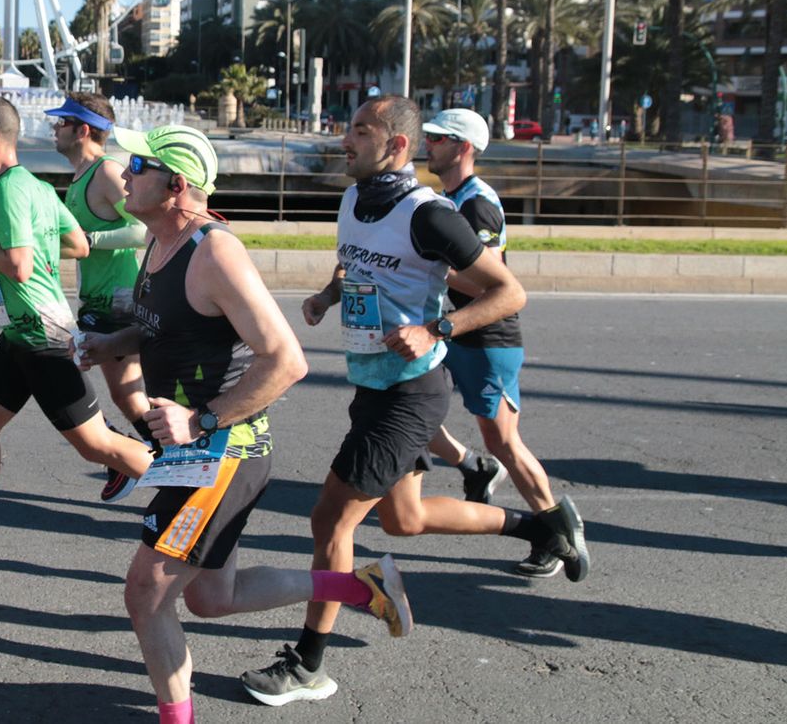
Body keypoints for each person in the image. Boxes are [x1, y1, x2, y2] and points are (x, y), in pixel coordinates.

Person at [246, 96, 589, 706]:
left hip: (411, 395)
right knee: (403, 520)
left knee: (331, 519)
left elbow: (509, 292)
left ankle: (308, 666)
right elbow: (354, 264)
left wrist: (436, 329)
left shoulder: (428, 213)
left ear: (396, 145)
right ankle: (539, 527)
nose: (344, 141)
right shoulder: (354, 199)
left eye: (359, 131)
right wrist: (327, 295)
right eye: (348, 129)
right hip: (373, 384)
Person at [77, 123, 412, 721]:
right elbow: (165, 327)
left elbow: (286, 360)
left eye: (139, 165)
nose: (124, 173)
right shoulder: (159, 241)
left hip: (222, 453)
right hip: (194, 451)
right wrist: (114, 343)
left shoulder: (214, 253)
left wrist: (200, 420)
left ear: (177, 186)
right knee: (212, 596)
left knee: (146, 593)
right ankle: (360, 587)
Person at [0, 96, 153, 570]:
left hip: (44, 336)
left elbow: (19, 268)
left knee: (96, 445)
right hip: (18, 335)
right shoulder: (39, 187)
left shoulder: (7, 192)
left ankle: (193, 498)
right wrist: (35, 247)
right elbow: (78, 244)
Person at [419, 109, 565, 576]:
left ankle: (556, 531)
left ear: (463, 147)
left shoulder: (477, 204)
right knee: (412, 411)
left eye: (438, 138)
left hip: (487, 337)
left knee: (503, 440)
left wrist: (430, 268)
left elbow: (492, 282)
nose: (428, 144)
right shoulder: (451, 198)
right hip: (454, 329)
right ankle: (473, 467)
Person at [46, 92, 153, 502]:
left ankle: (137, 459)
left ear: (83, 130)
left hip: (118, 302)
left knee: (62, 369)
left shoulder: (107, 172)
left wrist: (90, 240)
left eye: (62, 122)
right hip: (98, 301)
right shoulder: (80, 177)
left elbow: (143, 229)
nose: (55, 128)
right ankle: (150, 459)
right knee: (125, 396)